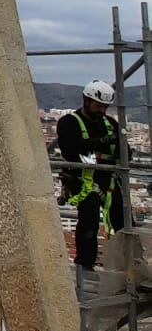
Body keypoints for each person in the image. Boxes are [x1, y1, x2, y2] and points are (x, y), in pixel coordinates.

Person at [57, 79, 124, 275]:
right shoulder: (69, 122)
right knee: (89, 220)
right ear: (86, 101)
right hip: (82, 179)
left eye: (104, 107)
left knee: (121, 220)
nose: (101, 110)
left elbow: (120, 148)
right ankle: (85, 266)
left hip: (107, 178)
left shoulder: (110, 124)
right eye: (97, 106)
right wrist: (101, 141)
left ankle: (126, 265)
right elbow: (70, 150)